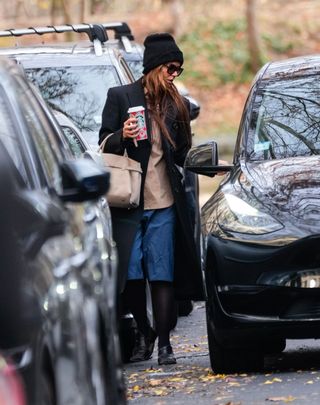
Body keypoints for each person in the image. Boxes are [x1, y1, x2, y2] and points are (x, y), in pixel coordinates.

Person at [99, 32, 203, 365]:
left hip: (163, 203)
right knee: (130, 273)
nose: (175, 74)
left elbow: (184, 152)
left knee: (162, 272)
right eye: (171, 67)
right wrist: (121, 136)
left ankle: (164, 345)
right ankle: (144, 330)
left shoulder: (177, 104)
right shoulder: (120, 96)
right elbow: (103, 142)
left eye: (179, 69)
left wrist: (205, 163)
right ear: (155, 66)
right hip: (128, 202)